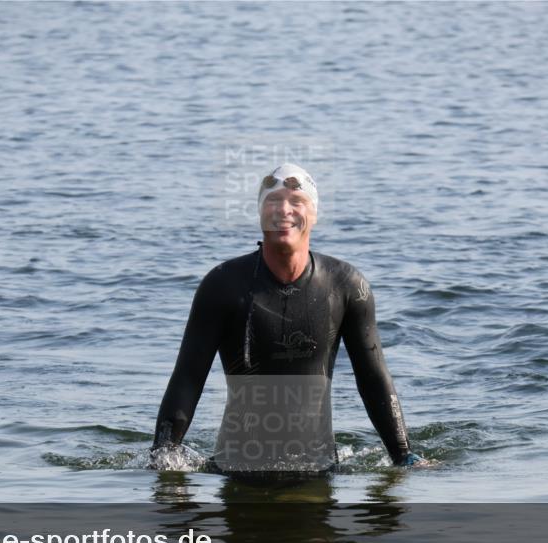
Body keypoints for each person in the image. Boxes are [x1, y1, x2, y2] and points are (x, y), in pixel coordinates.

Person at [149, 163, 423, 474]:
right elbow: (188, 377)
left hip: (319, 469)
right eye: (273, 200)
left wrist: (404, 455)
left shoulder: (346, 285)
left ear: (314, 213)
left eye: (297, 201)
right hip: (236, 468)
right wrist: (162, 454)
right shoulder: (222, 285)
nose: (284, 210)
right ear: (259, 213)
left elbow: (373, 378)